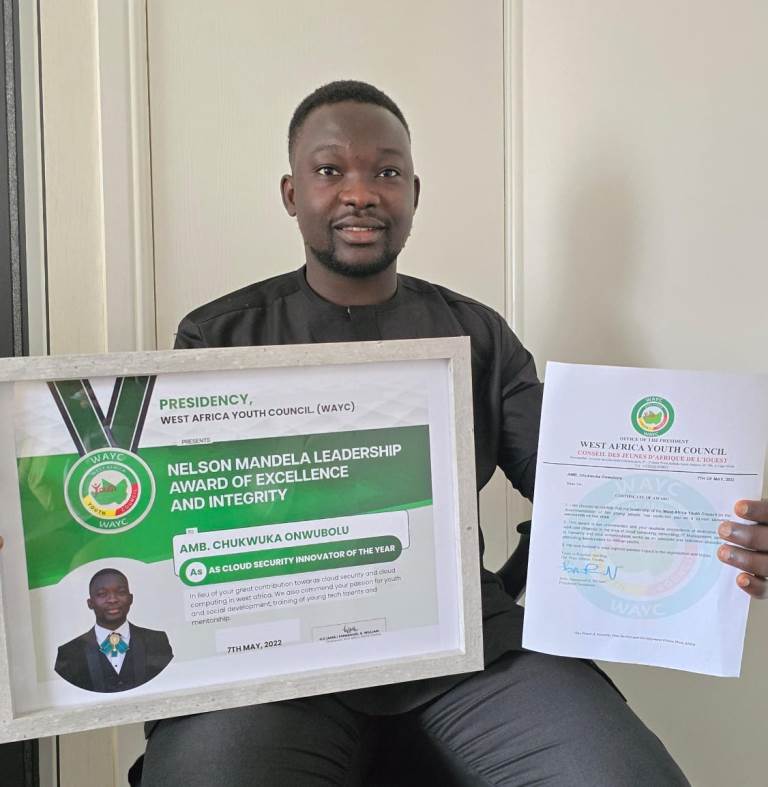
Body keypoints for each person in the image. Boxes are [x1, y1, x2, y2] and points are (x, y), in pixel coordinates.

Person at [83, 80, 768, 783]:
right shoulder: (218, 336)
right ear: (292, 194)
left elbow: (579, 480)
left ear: (414, 190)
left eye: (386, 171)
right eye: (330, 171)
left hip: (463, 649)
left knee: (623, 776)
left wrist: (718, 531)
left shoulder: (474, 333)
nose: (361, 192)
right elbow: (158, 517)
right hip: (275, 657)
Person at [54, 568, 173, 693]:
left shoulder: (157, 641)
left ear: (130, 598)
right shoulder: (69, 653)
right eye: (102, 594)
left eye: (121, 592)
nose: (112, 600)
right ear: (90, 603)